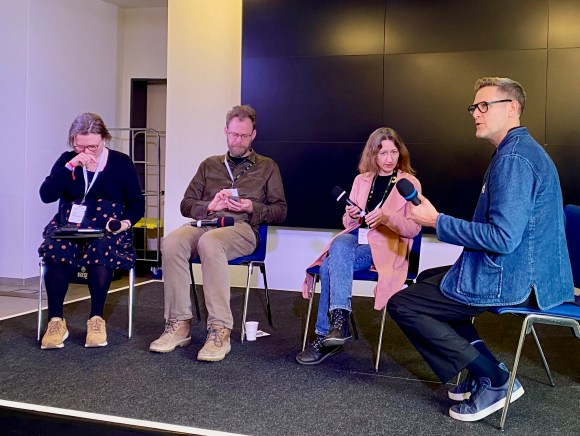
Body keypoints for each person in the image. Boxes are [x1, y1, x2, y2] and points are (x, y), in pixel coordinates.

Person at [387, 77, 574, 422]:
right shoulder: (517, 151)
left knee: (404, 304)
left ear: (512, 108)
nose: (476, 113)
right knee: (430, 279)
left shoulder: (514, 159)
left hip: (519, 278)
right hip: (526, 269)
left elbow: (503, 239)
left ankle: (495, 379)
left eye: (485, 105)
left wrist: (436, 221)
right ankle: (482, 370)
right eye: (474, 106)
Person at [149, 105, 287, 362]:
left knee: (210, 242)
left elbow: (280, 211)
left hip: (242, 229)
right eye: (234, 134)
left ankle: (219, 329)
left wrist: (251, 207)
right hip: (207, 223)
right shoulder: (209, 165)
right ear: (226, 131)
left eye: (244, 136)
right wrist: (210, 206)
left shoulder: (267, 166)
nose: (238, 140)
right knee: (172, 242)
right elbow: (186, 205)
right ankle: (178, 324)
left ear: (253, 135)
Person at [297, 127, 422, 365]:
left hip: (386, 245)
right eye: (383, 153)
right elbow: (348, 224)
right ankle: (339, 324)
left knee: (328, 266)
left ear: (400, 153)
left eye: (393, 152)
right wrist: (352, 215)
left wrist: (387, 217)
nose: (389, 158)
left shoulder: (409, 182)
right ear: (372, 154)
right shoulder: (361, 180)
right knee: (341, 240)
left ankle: (326, 335)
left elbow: (413, 229)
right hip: (357, 239)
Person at [39, 112, 145, 349]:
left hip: (107, 227)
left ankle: (96, 319)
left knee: (101, 249)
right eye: (80, 146)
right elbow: (46, 195)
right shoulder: (67, 160)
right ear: (72, 141)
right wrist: (70, 166)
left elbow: (137, 204)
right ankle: (56, 321)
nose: (86, 152)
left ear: (104, 139)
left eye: (93, 147)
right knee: (54, 249)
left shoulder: (121, 162)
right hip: (71, 226)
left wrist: (124, 223)